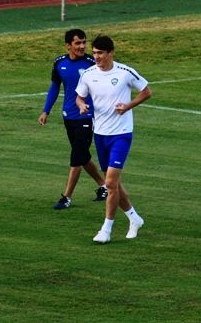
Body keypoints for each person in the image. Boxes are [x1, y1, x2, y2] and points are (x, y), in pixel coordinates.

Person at [75, 35, 151, 244]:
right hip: (100, 134)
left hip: (121, 134)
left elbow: (146, 91)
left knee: (109, 183)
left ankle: (106, 229)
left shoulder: (125, 72)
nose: (96, 57)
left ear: (110, 53)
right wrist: (81, 105)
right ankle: (134, 218)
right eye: (95, 53)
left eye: (100, 53)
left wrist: (128, 106)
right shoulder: (89, 75)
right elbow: (79, 96)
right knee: (114, 184)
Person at [38, 28, 108, 210]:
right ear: (68, 45)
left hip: (87, 116)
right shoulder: (59, 63)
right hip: (68, 116)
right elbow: (54, 87)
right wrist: (46, 110)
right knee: (82, 156)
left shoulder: (93, 63)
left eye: (84, 42)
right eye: (78, 43)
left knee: (76, 157)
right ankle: (104, 186)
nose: (82, 46)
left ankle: (66, 197)